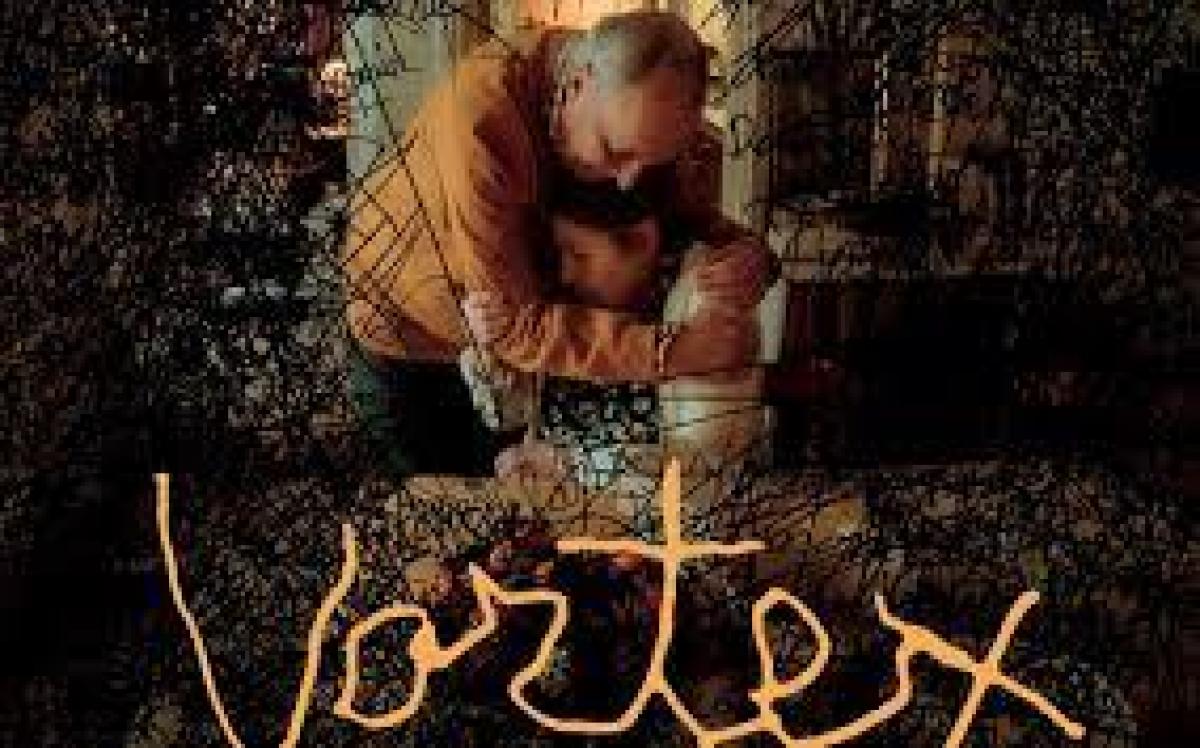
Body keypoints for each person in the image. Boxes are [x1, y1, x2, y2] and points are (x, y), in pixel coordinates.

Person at [343, 11, 775, 479]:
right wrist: (671, 351)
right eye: (615, 152)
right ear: (577, 85)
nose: (629, 181)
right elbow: (515, 327)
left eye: (650, 163)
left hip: (518, 358)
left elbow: (679, 213)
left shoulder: (626, 108)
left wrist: (751, 254)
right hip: (408, 338)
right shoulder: (481, 121)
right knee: (445, 503)